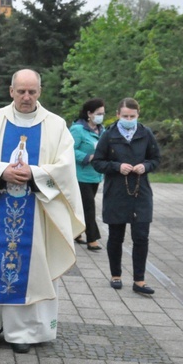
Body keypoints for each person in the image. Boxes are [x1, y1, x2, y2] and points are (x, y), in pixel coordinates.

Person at [0, 69, 84, 354]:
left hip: (36, 212)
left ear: (40, 91)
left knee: (33, 268)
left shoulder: (56, 125)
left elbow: (65, 166)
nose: (26, 97)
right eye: (21, 91)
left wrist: (35, 174)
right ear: (11, 90)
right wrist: (2, 172)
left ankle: (23, 333)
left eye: (32, 91)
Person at [92, 97, 161, 296]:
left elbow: (155, 158)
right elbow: (98, 162)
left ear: (138, 115)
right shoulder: (109, 134)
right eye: (125, 116)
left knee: (141, 236)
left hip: (141, 192)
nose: (129, 119)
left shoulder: (145, 133)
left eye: (132, 116)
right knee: (116, 236)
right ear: (118, 115)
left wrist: (145, 166)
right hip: (116, 192)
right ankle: (116, 275)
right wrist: (116, 166)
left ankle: (139, 280)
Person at [70, 98, 106, 250]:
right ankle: (92, 238)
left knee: (82, 205)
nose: (101, 116)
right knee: (89, 207)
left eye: (103, 114)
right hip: (80, 175)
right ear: (89, 114)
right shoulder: (78, 129)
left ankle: (75, 232)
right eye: (98, 113)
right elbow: (69, 149)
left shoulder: (102, 130)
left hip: (95, 175)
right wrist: (87, 157)